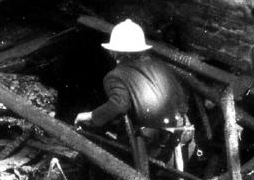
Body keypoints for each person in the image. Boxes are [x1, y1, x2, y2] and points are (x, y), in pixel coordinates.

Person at [74, 19, 190, 161]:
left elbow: (119, 105)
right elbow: (181, 97)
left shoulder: (115, 76)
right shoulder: (160, 66)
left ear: (114, 51)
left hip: (154, 146)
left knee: (103, 156)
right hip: (183, 137)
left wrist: (90, 116)